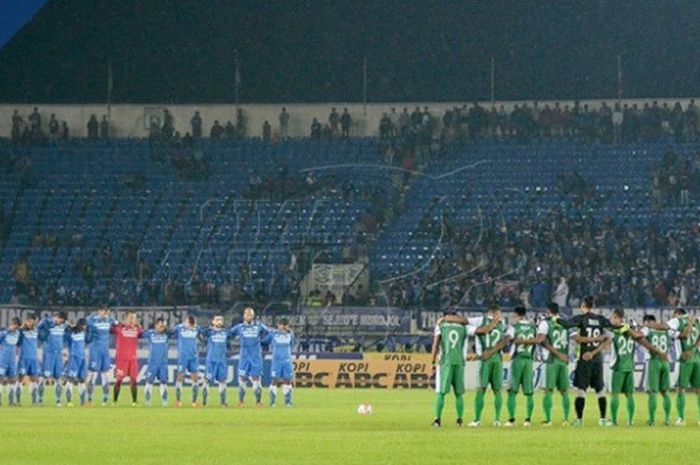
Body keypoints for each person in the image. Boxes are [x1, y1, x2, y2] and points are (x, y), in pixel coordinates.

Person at [566, 296, 614, 426]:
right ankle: (603, 419)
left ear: (583, 305)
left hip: (584, 358)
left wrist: (589, 350)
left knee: (581, 389)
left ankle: (579, 420)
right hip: (598, 359)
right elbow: (608, 339)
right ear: (593, 305)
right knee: (600, 390)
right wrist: (595, 350)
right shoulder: (601, 320)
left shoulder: (580, 319)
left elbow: (577, 338)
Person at [468, 305, 508, 427]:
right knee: (497, 391)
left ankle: (477, 419)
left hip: (485, 358)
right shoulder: (502, 323)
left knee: (481, 389)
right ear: (496, 312)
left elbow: (467, 322)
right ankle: (497, 420)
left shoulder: (481, 320)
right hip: (498, 359)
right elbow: (504, 340)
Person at [535, 302, 572, 426]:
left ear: (548, 311)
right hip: (563, 360)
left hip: (552, 360)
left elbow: (541, 340)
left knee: (548, 390)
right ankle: (566, 419)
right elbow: (572, 339)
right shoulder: (565, 323)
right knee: (564, 392)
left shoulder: (545, 323)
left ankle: (548, 419)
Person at [430, 311, 467, 427]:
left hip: (445, 362)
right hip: (459, 362)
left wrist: (432, 362)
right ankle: (460, 419)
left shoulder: (441, 326)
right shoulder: (463, 327)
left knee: (440, 392)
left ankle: (437, 419)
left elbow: (436, 345)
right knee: (459, 393)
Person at [505, 306, 538, 427]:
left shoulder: (514, 327)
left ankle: (511, 420)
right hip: (529, 360)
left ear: (516, 315)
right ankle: (528, 420)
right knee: (529, 392)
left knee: (512, 391)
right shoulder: (532, 327)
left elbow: (508, 339)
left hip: (517, 359)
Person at [665, 309, 699, 425]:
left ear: (676, 314)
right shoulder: (696, 320)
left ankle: (681, 418)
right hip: (697, 358)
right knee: (699, 390)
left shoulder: (675, 321)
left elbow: (682, 335)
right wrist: (693, 349)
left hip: (683, 359)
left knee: (680, 389)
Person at [230, 307, 269, 407]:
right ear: (244, 316)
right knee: (242, 379)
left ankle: (258, 402)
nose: (249, 316)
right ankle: (241, 401)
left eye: (251, 314)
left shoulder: (259, 326)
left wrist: (263, 341)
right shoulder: (239, 327)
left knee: (257, 379)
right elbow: (229, 334)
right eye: (247, 314)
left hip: (256, 357)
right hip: (244, 357)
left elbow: (269, 334)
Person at [640, 314, 673, 425]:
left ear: (648, 322)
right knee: (665, 392)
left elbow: (640, 336)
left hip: (653, 361)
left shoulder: (647, 329)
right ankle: (667, 420)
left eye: (645, 322)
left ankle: (652, 421)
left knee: (652, 392)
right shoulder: (665, 330)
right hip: (665, 361)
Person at [86, 306, 116, 406]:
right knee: (92, 374)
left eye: (106, 312)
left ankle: (105, 399)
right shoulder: (92, 320)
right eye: (103, 312)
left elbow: (117, 324)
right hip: (95, 349)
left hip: (105, 350)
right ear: (99, 312)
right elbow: (84, 324)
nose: (105, 314)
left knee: (106, 374)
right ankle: (89, 398)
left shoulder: (110, 320)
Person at [111, 311, 143, 405]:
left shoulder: (137, 330)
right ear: (125, 319)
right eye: (131, 318)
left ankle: (134, 401)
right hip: (121, 359)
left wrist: (139, 327)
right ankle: (115, 401)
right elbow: (110, 329)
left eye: (134, 318)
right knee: (119, 380)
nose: (133, 320)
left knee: (133, 380)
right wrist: (116, 324)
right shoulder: (119, 329)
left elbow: (142, 334)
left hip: (132, 359)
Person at [37, 311, 68, 406]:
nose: (61, 322)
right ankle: (40, 400)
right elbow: (39, 328)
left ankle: (58, 401)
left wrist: (65, 349)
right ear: (56, 317)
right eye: (61, 319)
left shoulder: (63, 325)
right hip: (48, 353)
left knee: (58, 378)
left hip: (58, 354)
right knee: (44, 377)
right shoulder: (47, 324)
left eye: (63, 320)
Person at [200, 315, 230, 407]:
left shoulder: (225, 332)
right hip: (211, 360)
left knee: (222, 381)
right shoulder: (209, 331)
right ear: (213, 322)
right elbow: (199, 333)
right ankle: (204, 401)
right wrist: (204, 341)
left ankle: (222, 402)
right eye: (217, 320)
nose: (219, 321)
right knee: (207, 381)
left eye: (221, 319)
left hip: (222, 361)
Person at [174, 315, 202, 407]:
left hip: (193, 357)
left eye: (193, 323)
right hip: (183, 357)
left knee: (195, 378)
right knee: (180, 377)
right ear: (186, 321)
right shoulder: (179, 328)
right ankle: (178, 400)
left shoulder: (197, 328)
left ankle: (194, 401)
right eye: (190, 322)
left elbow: (202, 338)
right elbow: (170, 333)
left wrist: (202, 338)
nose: (191, 325)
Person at [143, 317, 170, 407]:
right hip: (152, 362)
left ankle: (164, 401)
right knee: (149, 381)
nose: (162, 327)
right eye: (160, 325)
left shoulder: (167, 334)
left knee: (163, 382)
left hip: (163, 363)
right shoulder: (150, 334)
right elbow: (139, 333)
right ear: (156, 325)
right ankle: (148, 402)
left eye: (163, 325)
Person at [268, 318, 294, 407]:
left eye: (285, 325)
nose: (283, 327)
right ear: (278, 325)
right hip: (276, 361)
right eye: (281, 324)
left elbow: (292, 346)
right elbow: (265, 340)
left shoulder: (290, 334)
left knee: (288, 380)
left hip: (287, 361)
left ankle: (288, 402)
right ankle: (272, 402)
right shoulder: (273, 334)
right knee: (274, 380)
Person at [64, 318, 88, 407]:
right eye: (84, 325)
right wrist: (69, 327)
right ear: (81, 325)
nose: (85, 327)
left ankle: (82, 402)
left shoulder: (83, 333)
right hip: (74, 357)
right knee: (70, 379)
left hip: (82, 358)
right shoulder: (71, 333)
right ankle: (69, 401)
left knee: (82, 380)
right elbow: (65, 333)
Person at [17, 314, 40, 405]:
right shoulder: (20, 331)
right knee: (20, 379)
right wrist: (21, 328)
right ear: (27, 321)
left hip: (34, 358)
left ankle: (34, 401)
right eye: (32, 322)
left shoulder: (36, 330)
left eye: (35, 323)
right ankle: (18, 400)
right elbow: (17, 343)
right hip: (24, 358)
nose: (34, 324)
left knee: (34, 379)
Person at [0, 318, 21, 406]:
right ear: (12, 324)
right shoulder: (4, 333)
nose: (16, 328)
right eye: (15, 326)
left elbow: (17, 345)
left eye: (17, 327)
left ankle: (11, 401)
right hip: (3, 359)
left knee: (12, 380)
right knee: (0, 379)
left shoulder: (18, 333)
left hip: (12, 360)